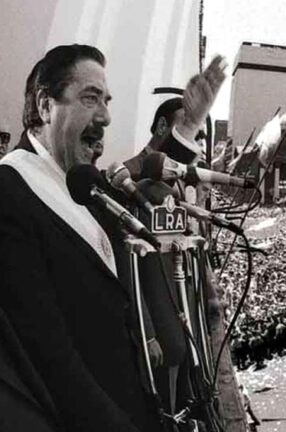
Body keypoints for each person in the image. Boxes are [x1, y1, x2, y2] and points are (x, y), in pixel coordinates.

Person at [0, 44, 163, 432]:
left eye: (105, 101)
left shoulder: (83, 189)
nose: (105, 116)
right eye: (90, 98)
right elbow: (50, 355)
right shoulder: (10, 193)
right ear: (45, 105)